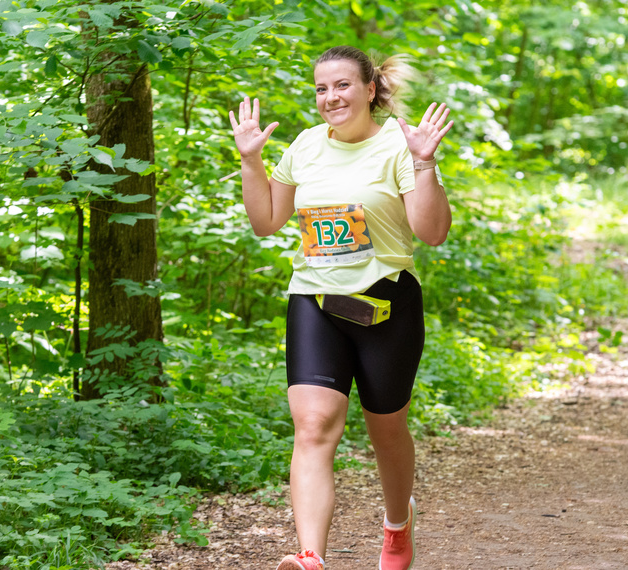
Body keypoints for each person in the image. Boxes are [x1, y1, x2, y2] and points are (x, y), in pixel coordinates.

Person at [229, 45, 453, 570]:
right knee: (311, 426)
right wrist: (250, 160)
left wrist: (424, 164)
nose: (331, 97)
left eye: (343, 85)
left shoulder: (399, 145)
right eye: (321, 89)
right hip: (316, 299)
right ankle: (311, 557)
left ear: (370, 89)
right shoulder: (306, 146)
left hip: (385, 303)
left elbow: (432, 233)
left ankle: (397, 525)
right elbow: (266, 222)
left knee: (386, 429)